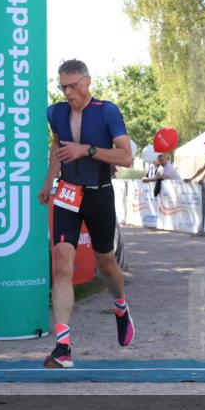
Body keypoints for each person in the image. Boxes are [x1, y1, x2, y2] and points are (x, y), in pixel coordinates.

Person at [37, 59, 135, 369]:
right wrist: (48, 181)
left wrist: (88, 150)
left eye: (73, 86)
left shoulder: (107, 111)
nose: (68, 93)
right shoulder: (55, 113)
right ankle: (63, 346)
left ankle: (121, 307)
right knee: (62, 263)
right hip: (66, 194)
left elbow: (127, 157)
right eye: (63, 86)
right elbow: (58, 148)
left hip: (98, 195)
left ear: (87, 82)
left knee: (106, 263)